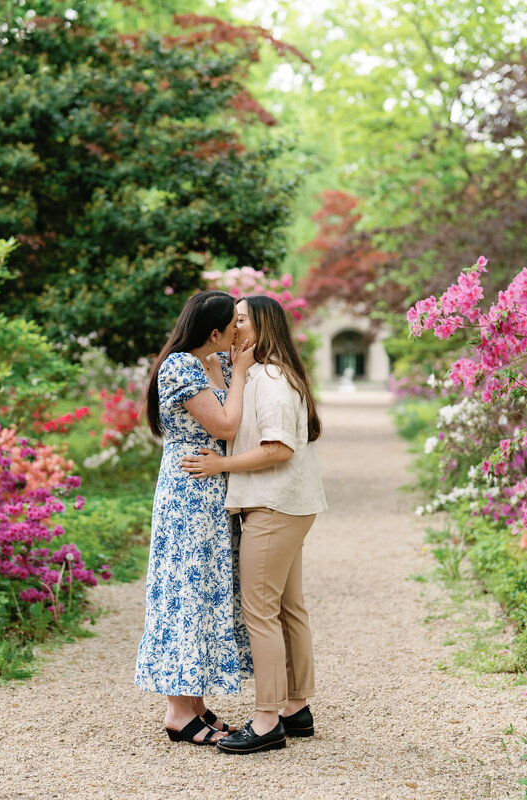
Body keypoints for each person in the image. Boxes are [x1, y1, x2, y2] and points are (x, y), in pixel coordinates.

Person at [181, 294, 327, 754]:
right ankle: (295, 707)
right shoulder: (266, 375)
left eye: (241, 319)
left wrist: (219, 467)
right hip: (287, 505)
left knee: (259, 612)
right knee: (288, 608)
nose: (234, 326)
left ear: (263, 327)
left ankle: (267, 720)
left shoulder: (273, 378)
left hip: (273, 506)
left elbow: (277, 448)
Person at [135, 290, 255, 746]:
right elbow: (225, 425)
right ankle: (177, 711)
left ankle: (197, 705)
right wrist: (241, 374)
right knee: (186, 590)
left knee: (207, 591)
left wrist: (236, 369)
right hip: (188, 490)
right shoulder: (181, 365)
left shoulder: (217, 364)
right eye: (233, 327)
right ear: (214, 333)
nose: (238, 333)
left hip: (215, 489)